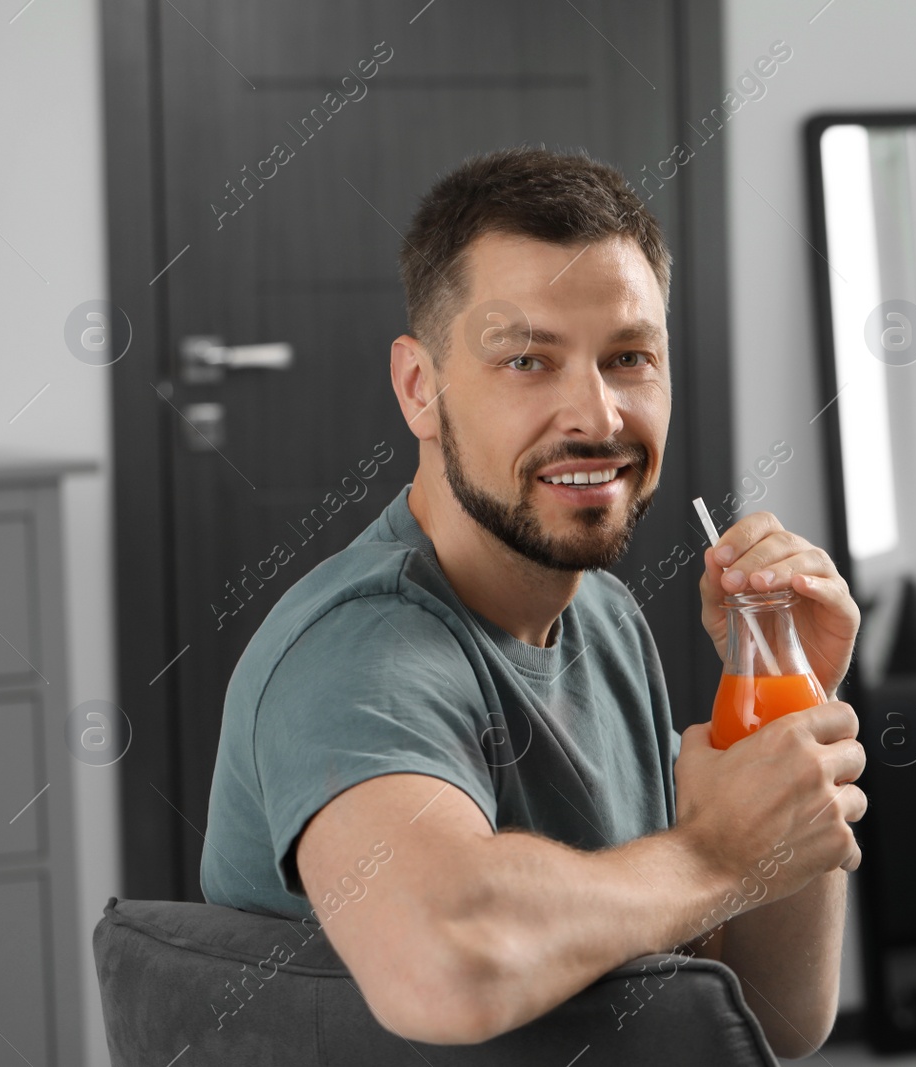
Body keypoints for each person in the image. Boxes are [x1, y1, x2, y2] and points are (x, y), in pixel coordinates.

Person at [199, 145, 866, 1058]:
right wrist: (717, 851)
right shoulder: (357, 656)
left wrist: (788, 700)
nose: (596, 415)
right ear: (418, 388)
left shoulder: (606, 618)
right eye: (527, 360)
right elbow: (448, 961)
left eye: (629, 356)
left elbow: (779, 1017)